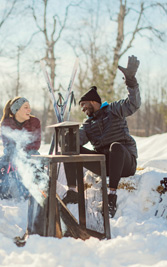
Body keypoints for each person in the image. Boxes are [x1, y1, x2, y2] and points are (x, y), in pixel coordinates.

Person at [63, 55, 141, 218]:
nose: (83, 109)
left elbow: (133, 104)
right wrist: (66, 135)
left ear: (93, 101)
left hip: (125, 162)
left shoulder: (114, 109)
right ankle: (72, 192)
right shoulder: (88, 124)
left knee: (115, 147)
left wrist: (131, 81)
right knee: (71, 149)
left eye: (84, 105)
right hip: (105, 165)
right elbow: (77, 142)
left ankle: (111, 196)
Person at [0, 96, 41, 200]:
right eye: (26, 107)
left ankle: (36, 190)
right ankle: (1, 192)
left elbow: (36, 144)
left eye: (29, 107)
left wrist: (22, 150)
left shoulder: (35, 122)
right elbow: (7, 144)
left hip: (30, 153)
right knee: (5, 161)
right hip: (12, 154)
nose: (29, 110)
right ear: (16, 110)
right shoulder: (6, 123)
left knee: (35, 159)